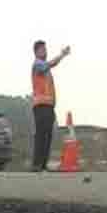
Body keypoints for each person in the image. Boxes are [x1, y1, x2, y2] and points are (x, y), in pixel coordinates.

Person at [31, 41, 70, 172]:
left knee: (48, 135)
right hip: (40, 105)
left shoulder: (46, 70)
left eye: (45, 49)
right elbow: (50, 64)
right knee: (41, 135)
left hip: (48, 106)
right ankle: (36, 164)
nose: (45, 52)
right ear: (36, 52)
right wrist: (62, 55)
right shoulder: (37, 65)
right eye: (42, 50)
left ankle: (43, 164)